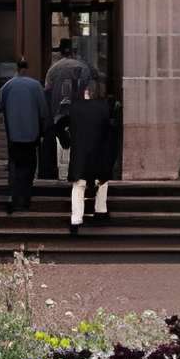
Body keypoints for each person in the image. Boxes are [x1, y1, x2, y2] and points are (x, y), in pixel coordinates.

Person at [54, 65, 119, 233]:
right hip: (98, 154)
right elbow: (110, 132)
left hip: (81, 155)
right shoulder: (105, 108)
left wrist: (67, 140)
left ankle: (76, 220)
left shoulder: (75, 108)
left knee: (78, 187)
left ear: (86, 91)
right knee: (102, 183)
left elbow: (60, 125)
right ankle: (100, 211)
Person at [0, 58, 47, 217]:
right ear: (27, 69)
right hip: (31, 135)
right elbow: (43, 111)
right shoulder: (35, 86)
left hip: (14, 134)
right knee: (29, 167)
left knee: (15, 167)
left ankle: (13, 197)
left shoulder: (7, 86)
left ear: (16, 69)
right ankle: (25, 199)